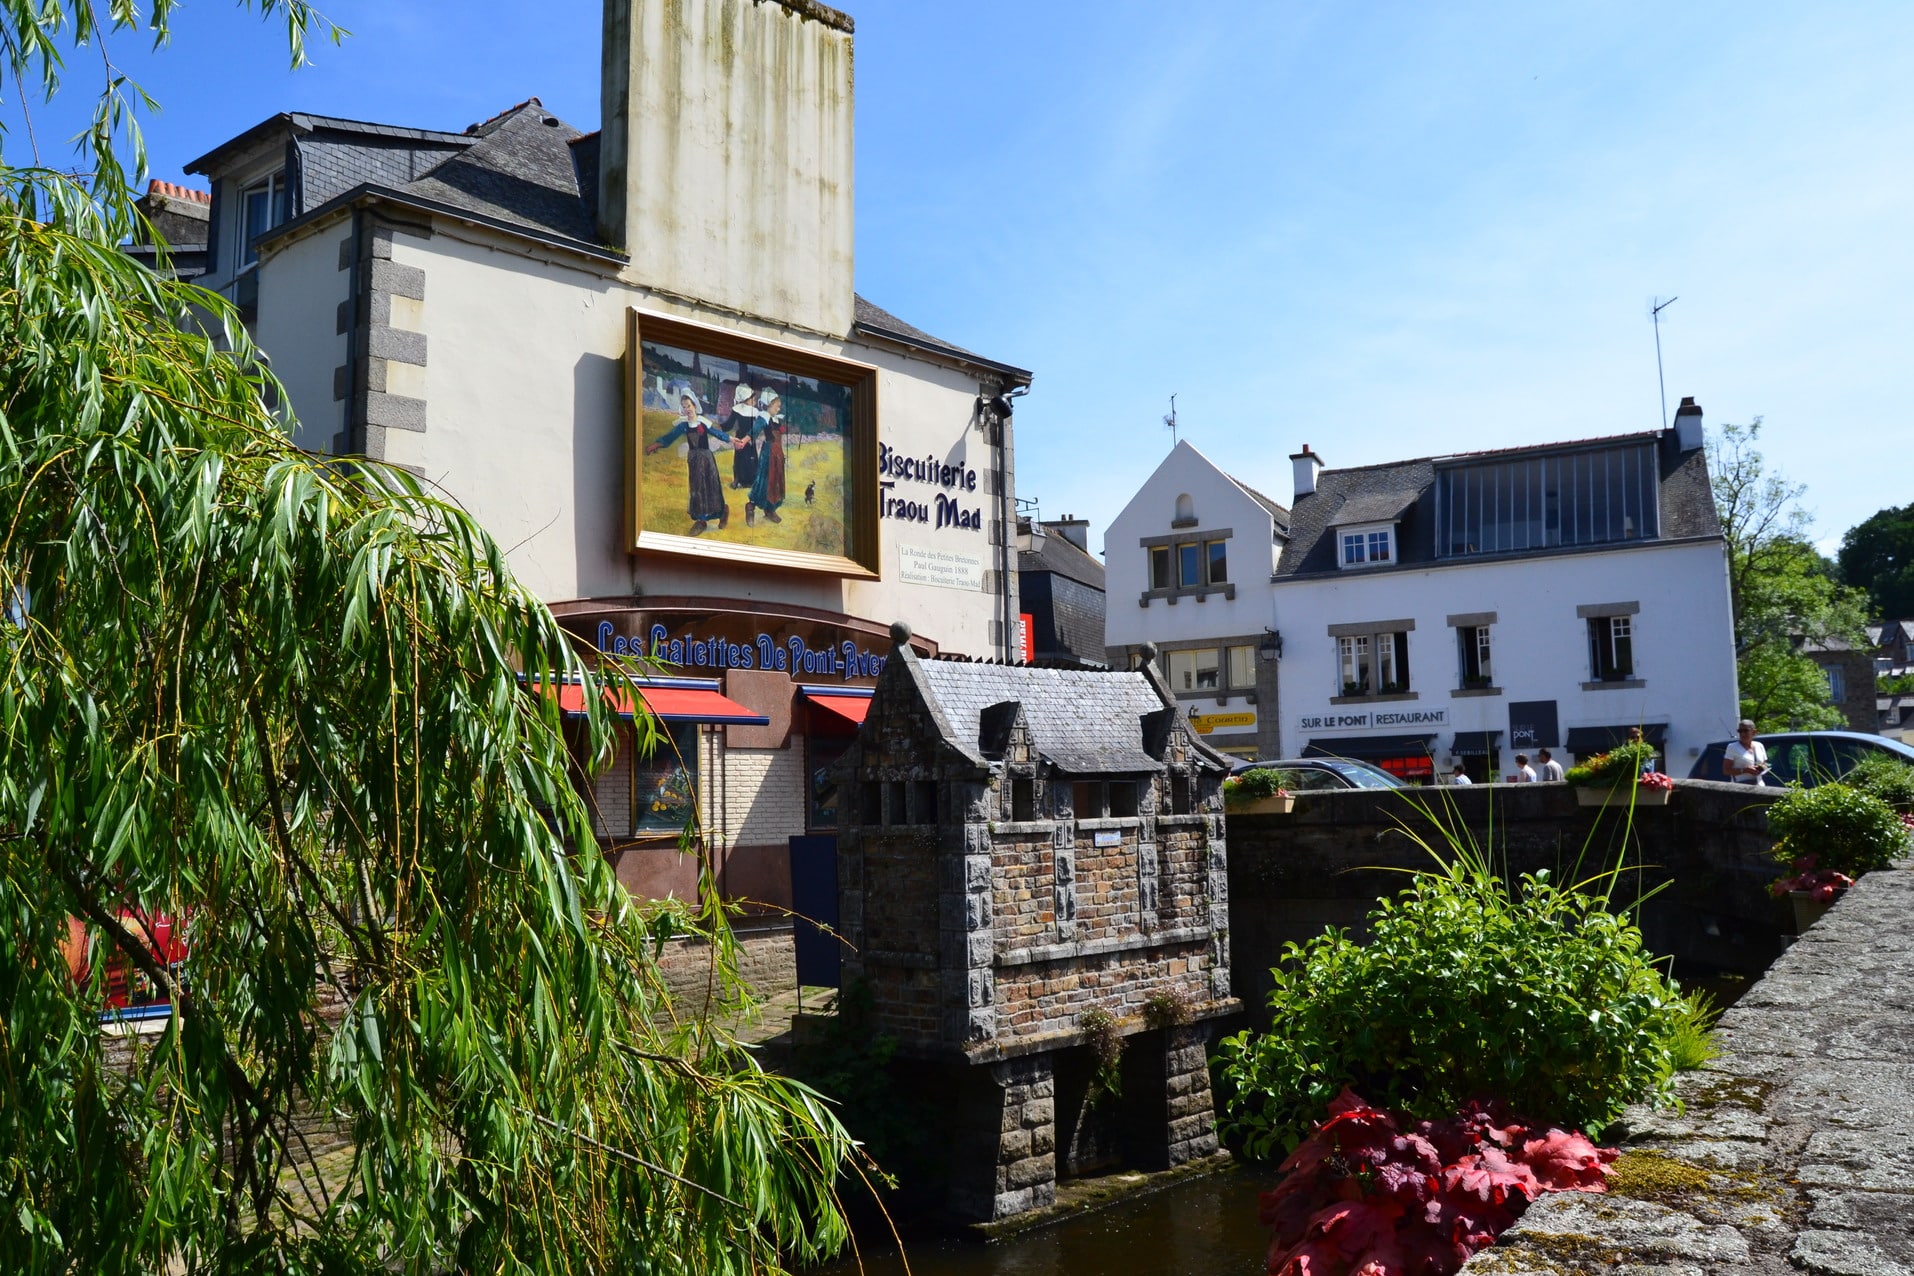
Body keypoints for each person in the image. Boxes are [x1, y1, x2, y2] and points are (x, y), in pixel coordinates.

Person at [645, 389, 730, 535]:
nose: (687, 409)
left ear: (694, 406)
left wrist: (731, 439)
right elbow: (669, 437)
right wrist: (657, 444)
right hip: (694, 460)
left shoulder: (703, 422)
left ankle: (722, 512)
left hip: (707, 459)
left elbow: (717, 433)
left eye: (689, 406)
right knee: (697, 488)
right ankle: (701, 521)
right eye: (684, 407)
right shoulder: (683, 425)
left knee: (711, 487)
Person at [744, 386, 788, 525]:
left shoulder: (776, 419)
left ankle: (770, 510)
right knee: (764, 482)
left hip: (778, 454)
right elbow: (754, 430)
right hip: (768, 455)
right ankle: (750, 507)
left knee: (776, 482)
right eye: (777, 406)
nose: (779, 409)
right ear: (769, 404)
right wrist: (745, 440)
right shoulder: (764, 418)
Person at [722, 383, 759, 490]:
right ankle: (738, 480)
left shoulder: (755, 412)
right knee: (739, 460)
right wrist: (719, 427)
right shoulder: (737, 409)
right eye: (752, 398)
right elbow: (729, 425)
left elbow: (757, 428)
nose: (754, 401)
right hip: (739, 437)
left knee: (751, 460)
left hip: (750, 438)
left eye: (754, 399)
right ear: (746, 398)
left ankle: (751, 481)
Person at [1723, 720, 1769, 784]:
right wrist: (1745, 770)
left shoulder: (1759, 745)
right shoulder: (1732, 747)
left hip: (1759, 785)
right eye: (1740, 731)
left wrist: (1761, 768)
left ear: (1754, 732)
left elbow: (1765, 764)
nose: (1742, 734)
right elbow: (1726, 770)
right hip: (1741, 786)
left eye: (1746, 730)